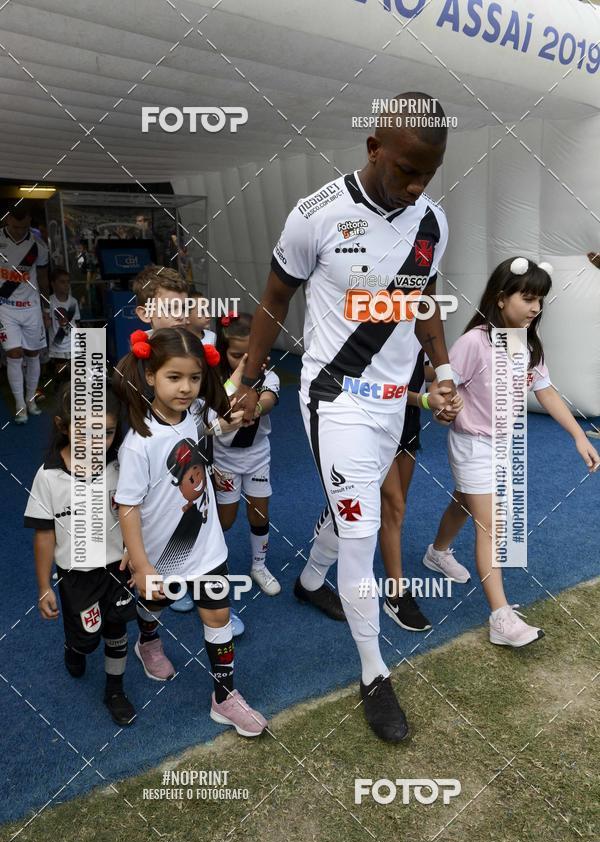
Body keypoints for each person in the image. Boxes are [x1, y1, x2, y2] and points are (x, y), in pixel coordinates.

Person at [236, 92, 460, 743]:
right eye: (405, 170)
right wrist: (249, 379)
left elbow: (425, 301)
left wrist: (441, 373)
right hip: (334, 398)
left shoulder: (432, 223)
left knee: (348, 502)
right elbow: (275, 298)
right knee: (363, 528)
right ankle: (374, 673)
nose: (416, 185)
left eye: (429, 173)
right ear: (373, 149)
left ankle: (309, 579)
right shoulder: (316, 215)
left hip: (396, 402)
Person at [425, 257, 600, 647]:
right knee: (493, 525)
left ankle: (437, 552)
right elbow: (445, 384)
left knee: (466, 503)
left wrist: (578, 436)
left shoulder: (528, 344)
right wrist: (444, 408)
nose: (536, 307)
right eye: (528, 298)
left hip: (503, 443)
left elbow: (546, 390)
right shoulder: (475, 341)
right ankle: (500, 618)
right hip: (472, 443)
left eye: (541, 300)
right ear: (501, 298)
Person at [114, 327, 267, 737]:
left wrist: (234, 418)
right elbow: (126, 505)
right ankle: (148, 640)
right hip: (162, 548)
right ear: (150, 376)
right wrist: (142, 563)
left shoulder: (199, 411)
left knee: (217, 613)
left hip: (205, 540)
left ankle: (224, 696)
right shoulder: (138, 443)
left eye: (194, 378)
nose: (186, 388)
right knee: (156, 605)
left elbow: (219, 427)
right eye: (174, 377)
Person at [24, 383, 137, 725]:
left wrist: (135, 548)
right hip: (77, 576)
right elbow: (44, 535)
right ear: (63, 426)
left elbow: (133, 513)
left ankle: (114, 690)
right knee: (87, 640)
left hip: (117, 568)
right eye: (85, 432)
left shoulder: (121, 466)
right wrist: (44, 586)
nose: (96, 443)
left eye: (107, 433)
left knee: (117, 630)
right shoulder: (48, 476)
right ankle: (74, 647)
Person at [379, 348, 464, 632]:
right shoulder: (373, 326)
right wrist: (427, 399)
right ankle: (396, 595)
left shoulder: (412, 329)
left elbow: (420, 371)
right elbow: (374, 386)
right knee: (393, 507)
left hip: (409, 421)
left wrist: (448, 381)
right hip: (377, 421)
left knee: (395, 509)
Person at [212, 312, 281, 601]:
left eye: (248, 354)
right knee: (224, 520)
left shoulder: (268, 375)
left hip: (256, 456)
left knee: (259, 511)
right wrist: (236, 389)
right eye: (235, 354)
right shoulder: (214, 379)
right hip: (224, 459)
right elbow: (215, 410)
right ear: (222, 351)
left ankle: (259, 566)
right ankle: (211, 567)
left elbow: (269, 398)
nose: (242, 361)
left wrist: (257, 407)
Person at [0, 202, 50, 423]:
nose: (19, 231)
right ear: (7, 219)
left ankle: (31, 399)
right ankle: (20, 404)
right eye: (15, 226)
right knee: (14, 354)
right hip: (5, 307)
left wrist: (47, 308)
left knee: (33, 354)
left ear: (30, 221)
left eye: (24, 226)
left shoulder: (39, 246)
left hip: (31, 309)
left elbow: (44, 278)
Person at [47, 268, 80, 382]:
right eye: (62, 282)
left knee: (75, 373)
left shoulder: (73, 302)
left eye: (68, 282)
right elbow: (47, 323)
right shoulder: (49, 302)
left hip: (73, 342)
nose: (66, 285)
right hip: (57, 344)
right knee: (61, 374)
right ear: (53, 284)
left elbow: (77, 323)